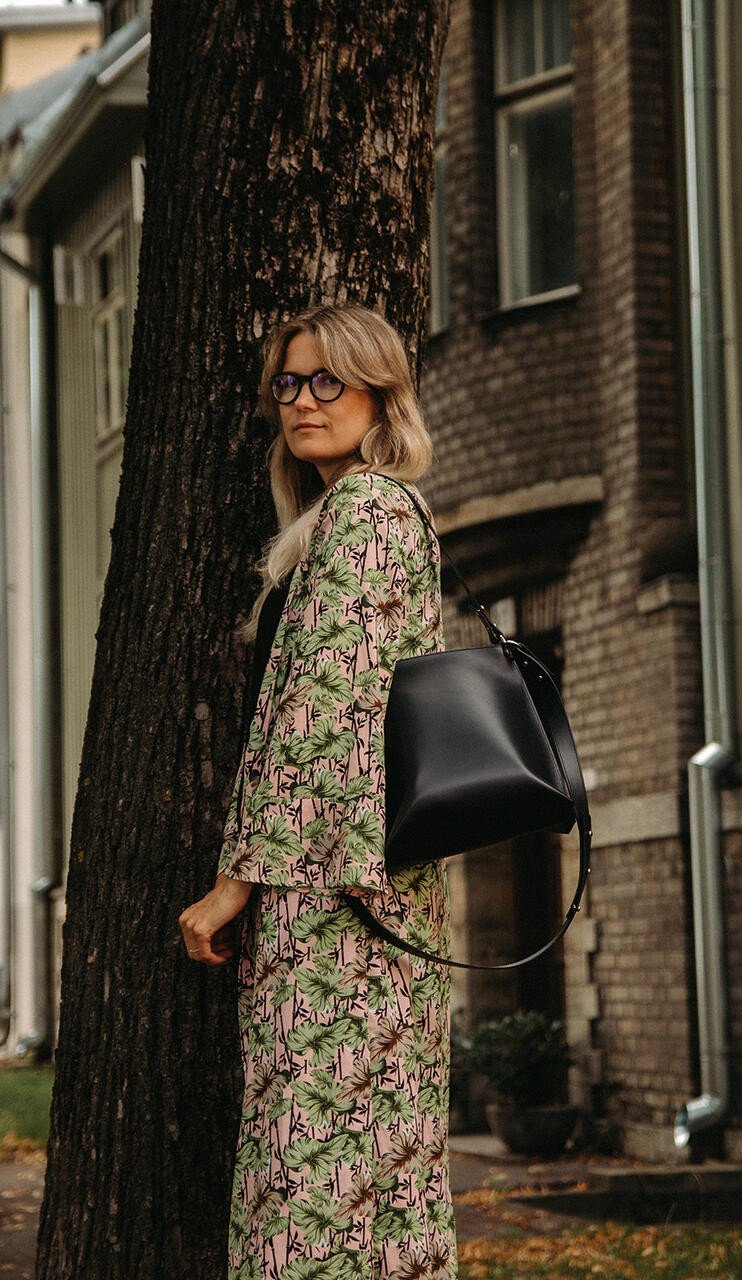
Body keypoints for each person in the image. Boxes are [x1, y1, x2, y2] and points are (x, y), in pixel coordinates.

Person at [178, 302, 457, 1280]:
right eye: (288, 384)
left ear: (380, 391)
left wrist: (236, 881)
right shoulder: (343, 518)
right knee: (366, 1176)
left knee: (321, 1181)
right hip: (362, 893)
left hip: (338, 904)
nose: (302, 401)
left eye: (326, 379)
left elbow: (325, 722)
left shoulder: (369, 512)